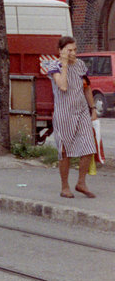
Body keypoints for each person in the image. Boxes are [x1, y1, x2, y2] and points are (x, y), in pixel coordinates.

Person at [48, 35, 99, 199]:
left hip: (82, 111)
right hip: (64, 113)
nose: (73, 53)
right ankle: (65, 186)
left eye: (75, 49)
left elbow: (87, 88)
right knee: (65, 151)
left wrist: (93, 109)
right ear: (61, 51)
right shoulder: (54, 66)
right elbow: (62, 86)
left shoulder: (81, 65)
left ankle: (81, 182)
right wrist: (63, 64)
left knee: (89, 147)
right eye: (69, 50)